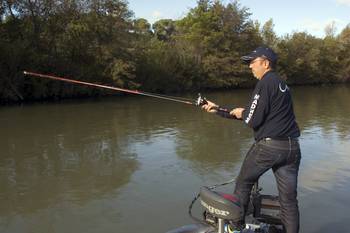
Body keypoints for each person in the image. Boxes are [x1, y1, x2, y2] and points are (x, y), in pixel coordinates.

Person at [202, 46, 301, 233]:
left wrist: (242, 112)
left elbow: (251, 119)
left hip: (269, 148)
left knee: (243, 183)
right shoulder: (282, 85)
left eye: (252, 62)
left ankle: (236, 228)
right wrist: (219, 110)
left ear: (265, 63)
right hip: (292, 148)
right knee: (288, 200)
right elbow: (256, 114)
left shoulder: (264, 83)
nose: (249, 67)